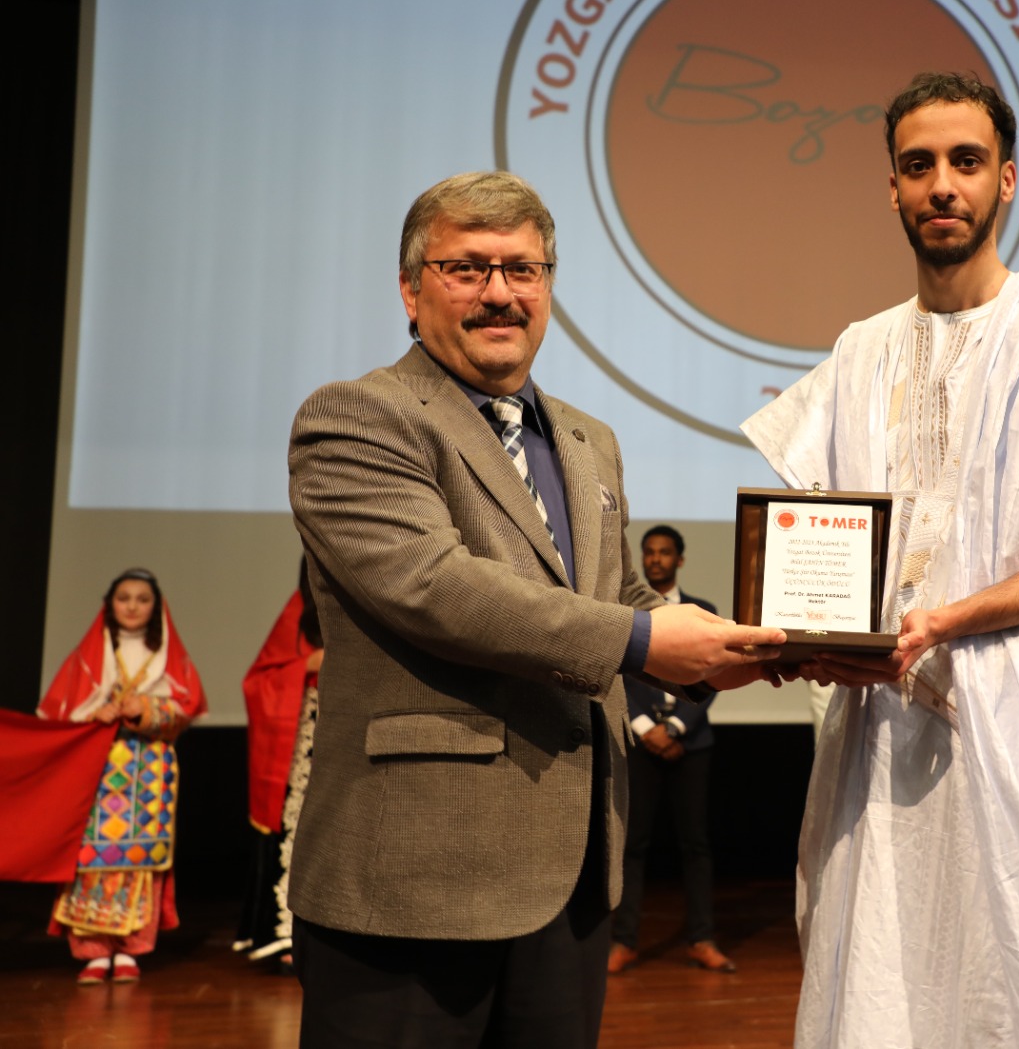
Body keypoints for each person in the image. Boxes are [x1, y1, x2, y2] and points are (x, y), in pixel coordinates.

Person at [285, 170, 785, 1049]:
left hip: (573, 880)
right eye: (466, 269)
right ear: (410, 289)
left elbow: (615, 596)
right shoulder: (359, 417)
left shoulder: (590, 439)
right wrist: (643, 640)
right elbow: (437, 588)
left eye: (522, 269)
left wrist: (742, 649)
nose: (499, 293)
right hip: (414, 879)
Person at [743, 72, 1019, 1048]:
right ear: (893, 188)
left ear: (1006, 179)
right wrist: (811, 637)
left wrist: (944, 621)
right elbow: (824, 551)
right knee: (885, 989)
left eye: (966, 161)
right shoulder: (859, 354)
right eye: (918, 165)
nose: (942, 184)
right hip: (882, 740)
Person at [37, 568, 206, 984]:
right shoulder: (88, 659)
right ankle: (94, 952)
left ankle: (130, 950)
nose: (132, 606)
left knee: (139, 858)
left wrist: (145, 710)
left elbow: (186, 710)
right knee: (91, 858)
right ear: (110, 605)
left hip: (148, 771)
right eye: (124, 598)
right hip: (95, 769)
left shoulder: (167, 659)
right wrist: (95, 713)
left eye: (142, 599)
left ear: (156, 606)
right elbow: (59, 712)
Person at [608, 525, 735, 975]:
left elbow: (715, 677)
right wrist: (646, 729)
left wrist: (677, 727)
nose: (655, 559)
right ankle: (623, 941)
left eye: (664, 553)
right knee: (632, 844)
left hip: (692, 743)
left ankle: (702, 939)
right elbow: (619, 674)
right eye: (649, 552)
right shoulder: (625, 614)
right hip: (639, 742)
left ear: (679, 560)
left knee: (695, 845)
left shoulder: (705, 612)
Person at [235, 559, 322, 972]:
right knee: (297, 829)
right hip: (305, 738)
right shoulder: (297, 612)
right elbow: (259, 681)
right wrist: (306, 666)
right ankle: (286, 931)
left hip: (351, 735)